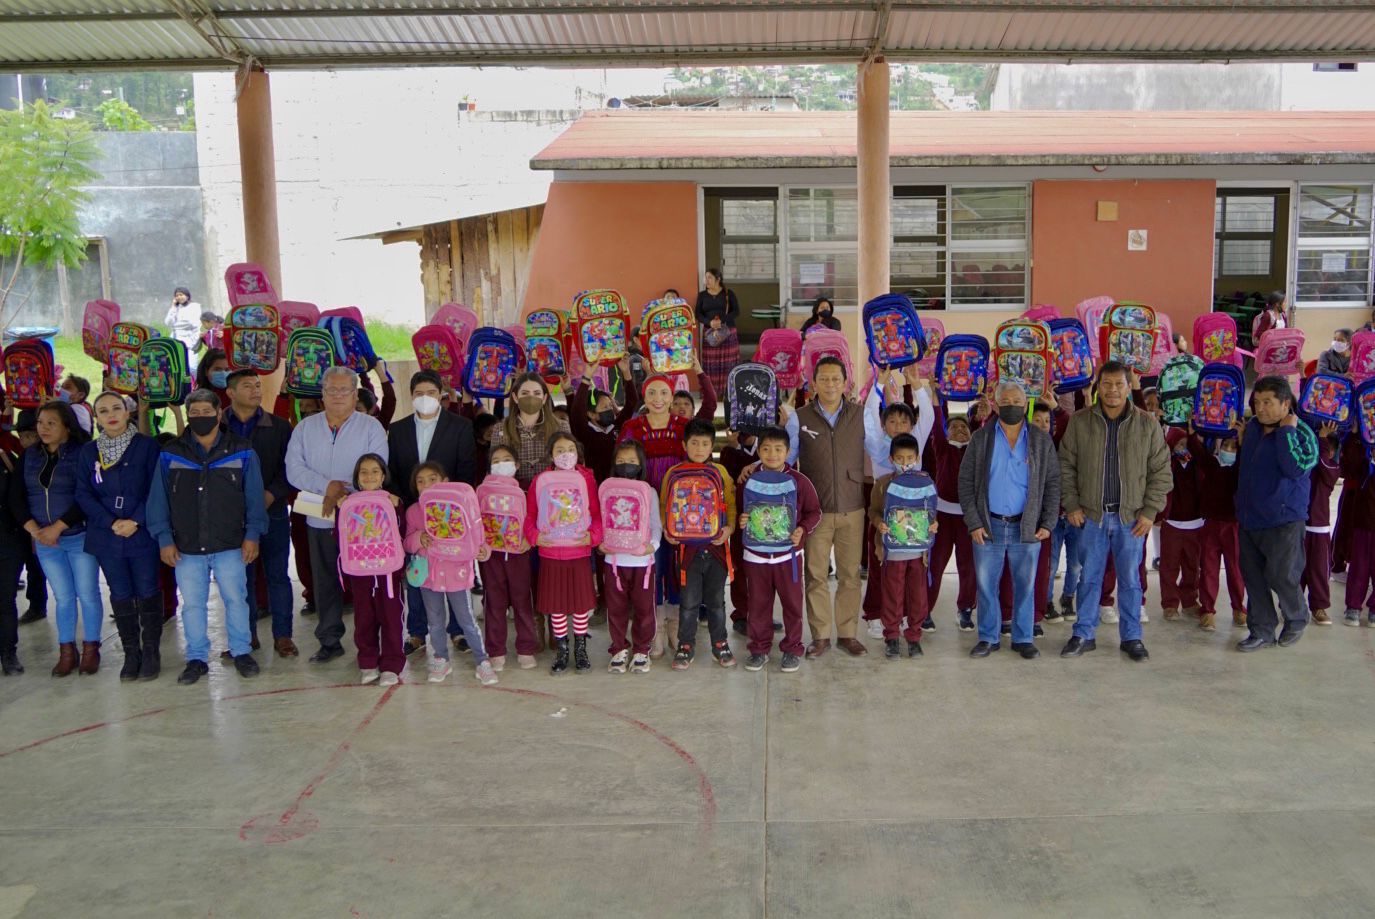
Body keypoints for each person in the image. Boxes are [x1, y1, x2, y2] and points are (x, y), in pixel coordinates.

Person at [146, 389, 268, 685]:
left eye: (206, 411)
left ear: (218, 413)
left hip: (230, 544)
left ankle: (241, 651)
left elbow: (254, 497)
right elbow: (158, 500)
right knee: (192, 605)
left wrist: (252, 535)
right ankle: (197, 658)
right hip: (186, 546)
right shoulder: (171, 453)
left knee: (236, 600)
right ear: (188, 415)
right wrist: (164, 538)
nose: (201, 417)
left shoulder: (242, 450)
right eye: (195, 412)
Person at [1058, 361, 1171, 662]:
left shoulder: (1146, 424)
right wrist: (1071, 504)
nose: (1112, 390)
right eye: (1106, 384)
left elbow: (1161, 471)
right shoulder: (1080, 422)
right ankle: (1084, 633)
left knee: (1131, 580)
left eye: (1119, 384)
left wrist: (1149, 512)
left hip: (1131, 519)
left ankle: (1132, 637)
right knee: (1089, 578)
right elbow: (1065, 466)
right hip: (1091, 517)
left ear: (1128, 386)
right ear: (1098, 386)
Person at [286, 365, 389, 664]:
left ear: (355, 393)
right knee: (325, 580)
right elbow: (294, 469)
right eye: (332, 390)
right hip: (320, 517)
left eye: (344, 390)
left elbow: (378, 466)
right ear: (322, 394)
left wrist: (347, 496)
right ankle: (329, 640)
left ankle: (370, 641)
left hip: (362, 521)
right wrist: (326, 487)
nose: (338, 395)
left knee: (365, 582)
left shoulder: (370, 427)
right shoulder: (305, 428)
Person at [957, 381, 1060, 660]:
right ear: (997, 404)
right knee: (986, 586)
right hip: (988, 526)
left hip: (1025, 526)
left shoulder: (1040, 440)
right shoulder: (981, 439)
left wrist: (1048, 522)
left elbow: (1052, 483)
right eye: (1007, 401)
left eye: (1018, 401)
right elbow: (965, 482)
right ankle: (988, 638)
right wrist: (974, 522)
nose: (1013, 405)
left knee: (1025, 585)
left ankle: (1023, 637)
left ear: (1025, 404)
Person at [619, 363, 717, 655]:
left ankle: (675, 622)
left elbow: (710, 406)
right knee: (651, 566)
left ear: (673, 394)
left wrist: (699, 370)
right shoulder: (633, 427)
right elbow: (624, 466)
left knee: (677, 567)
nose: (658, 397)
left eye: (664, 392)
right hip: (645, 508)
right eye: (652, 392)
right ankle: (653, 625)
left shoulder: (683, 425)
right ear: (644, 396)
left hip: (682, 510)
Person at [388, 369, 478, 655]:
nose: (424, 398)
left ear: (441, 393)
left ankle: (458, 631)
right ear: (411, 396)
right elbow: (395, 472)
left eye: (429, 392)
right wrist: (408, 506)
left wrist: (455, 505)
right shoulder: (398, 429)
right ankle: (416, 631)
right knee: (418, 570)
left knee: (455, 570)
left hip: (451, 514)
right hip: (414, 513)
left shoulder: (460, 426)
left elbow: (466, 469)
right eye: (418, 393)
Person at [75, 391, 163, 681]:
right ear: (97, 418)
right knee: (120, 593)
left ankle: (150, 652)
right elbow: (83, 494)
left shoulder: (147, 446)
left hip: (141, 532)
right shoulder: (89, 452)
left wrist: (135, 520)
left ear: (128, 412)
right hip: (107, 535)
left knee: (147, 589)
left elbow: (156, 487)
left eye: (117, 408)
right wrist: (111, 521)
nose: (111, 414)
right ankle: (131, 654)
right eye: (103, 411)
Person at [783, 356, 867, 658]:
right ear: (813, 383)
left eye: (836, 379)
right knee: (816, 575)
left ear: (845, 382)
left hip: (852, 506)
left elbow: (880, 452)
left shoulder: (861, 414)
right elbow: (786, 457)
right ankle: (820, 636)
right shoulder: (799, 417)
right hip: (815, 511)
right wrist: (757, 466)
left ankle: (847, 634)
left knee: (849, 574)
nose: (830, 384)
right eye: (824, 379)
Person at [1234, 376, 1317, 651]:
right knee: (1254, 578)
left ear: (1285, 403)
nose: (1261, 408)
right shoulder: (1254, 427)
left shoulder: (1302, 433)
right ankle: (1262, 631)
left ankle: (1296, 617)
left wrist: (1287, 433)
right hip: (1249, 518)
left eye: (1268, 402)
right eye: (1257, 402)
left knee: (1282, 575)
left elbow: (1296, 468)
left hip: (1284, 520)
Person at [20, 401, 101, 677]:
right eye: (40, 423)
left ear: (67, 426)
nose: (43, 428)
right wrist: (36, 530)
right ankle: (67, 651)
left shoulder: (82, 454)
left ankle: (91, 649)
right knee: (63, 598)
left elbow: (86, 496)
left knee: (88, 594)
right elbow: (16, 497)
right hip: (45, 542)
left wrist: (58, 527)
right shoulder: (30, 456)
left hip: (78, 536)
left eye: (50, 423)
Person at [224, 370, 297, 657]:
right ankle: (247, 635)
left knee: (277, 575)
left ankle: (283, 636)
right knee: (242, 578)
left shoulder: (278, 427)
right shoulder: (218, 427)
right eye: (247, 386)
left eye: (257, 385)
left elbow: (289, 469)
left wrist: (271, 494)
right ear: (230, 393)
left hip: (273, 512)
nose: (256, 390)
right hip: (232, 517)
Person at [403, 461, 496, 685]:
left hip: (457, 575)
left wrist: (484, 550)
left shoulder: (460, 506)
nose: (426, 485)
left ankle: (482, 661)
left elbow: (477, 535)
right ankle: (441, 659)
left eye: (432, 479)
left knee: (467, 620)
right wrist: (418, 539)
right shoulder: (414, 512)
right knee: (434, 621)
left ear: (445, 482)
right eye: (420, 481)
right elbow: (406, 542)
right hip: (429, 577)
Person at [737, 425, 820, 673]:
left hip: (789, 556)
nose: (772, 454)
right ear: (758, 450)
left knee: (793, 605)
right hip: (756, 556)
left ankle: (792, 648)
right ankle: (759, 649)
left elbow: (815, 512)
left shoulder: (799, 481)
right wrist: (743, 520)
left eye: (778, 449)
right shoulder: (748, 478)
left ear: (787, 451)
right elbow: (741, 511)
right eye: (766, 449)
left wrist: (802, 530)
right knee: (759, 605)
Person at [525, 432, 602, 675]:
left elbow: (597, 514)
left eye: (571, 449)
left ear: (578, 453)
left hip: (578, 551)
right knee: (557, 606)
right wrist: (535, 537)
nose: (566, 454)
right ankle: (562, 649)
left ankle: (580, 648)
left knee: (580, 605)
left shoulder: (586, 479)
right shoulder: (540, 481)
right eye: (559, 450)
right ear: (550, 455)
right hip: (551, 553)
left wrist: (594, 536)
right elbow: (529, 515)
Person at [665, 419, 736, 670]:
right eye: (694, 443)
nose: (699, 448)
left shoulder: (721, 472)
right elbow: (666, 505)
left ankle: (720, 644)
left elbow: (731, 504)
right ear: (685, 445)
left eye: (705, 443)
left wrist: (729, 529)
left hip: (716, 547)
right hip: (687, 551)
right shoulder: (673, 473)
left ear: (712, 446)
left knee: (717, 601)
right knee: (689, 602)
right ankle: (686, 645)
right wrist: (668, 530)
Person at [337, 454, 407, 686]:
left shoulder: (394, 501)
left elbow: (403, 534)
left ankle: (391, 664)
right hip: (360, 572)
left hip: (388, 573)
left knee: (391, 617)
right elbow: (340, 537)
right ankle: (367, 662)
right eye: (363, 472)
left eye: (375, 471)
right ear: (357, 477)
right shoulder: (348, 503)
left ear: (384, 475)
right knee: (364, 618)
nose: (369, 476)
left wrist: (397, 507)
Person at [869, 433, 936, 659]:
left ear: (917, 457)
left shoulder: (926, 483)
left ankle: (914, 637)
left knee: (918, 596)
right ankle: (891, 637)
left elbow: (931, 514)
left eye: (909, 458)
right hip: (892, 553)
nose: (905, 463)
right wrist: (880, 524)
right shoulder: (883, 484)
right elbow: (874, 511)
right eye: (900, 458)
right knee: (892, 596)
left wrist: (933, 525)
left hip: (918, 554)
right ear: (891, 459)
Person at [601, 441, 660, 674]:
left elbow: (656, 524)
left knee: (644, 608)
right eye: (622, 461)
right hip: (614, 561)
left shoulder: (649, 490)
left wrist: (652, 546)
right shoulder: (606, 489)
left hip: (642, 562)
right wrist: (601, 544)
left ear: (641, 465)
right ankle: (618, 648)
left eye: (632, 462)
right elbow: (600, 520)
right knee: (615, 609)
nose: (627, 466)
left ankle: (642, 650)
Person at [478, 444, 539, 670]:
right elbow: (476, 521)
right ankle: (495, 651)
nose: (501, 464)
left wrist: (530, 539)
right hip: (492, 556)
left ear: (517, 464)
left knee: (523, 601)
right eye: (495, 461)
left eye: (506, 459)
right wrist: (479, 545)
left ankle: (526, 648)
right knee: (494, 603)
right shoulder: (481, 490)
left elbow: (534, 517)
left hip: (519, 555)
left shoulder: (526, 489)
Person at [926, 409, 978, 632]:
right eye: (954, 427)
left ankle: (965, 610)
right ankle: (924, 610)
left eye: (964, 427)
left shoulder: (976, 451)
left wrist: (983, 417)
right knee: (934, 565)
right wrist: (937, 400)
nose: (959, 430)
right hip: (942, 517)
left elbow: (983, 431)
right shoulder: (942, 448)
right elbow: (936, 427)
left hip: (969, 518)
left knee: (969, 567)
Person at [1195, 433, 1247, 631]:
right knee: (1208, 569)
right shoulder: (1212, 465)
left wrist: (1242, 444)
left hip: (1234, 525)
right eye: (1226, 445)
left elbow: (1244, 460)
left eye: (1234, 447)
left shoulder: (1240, 469)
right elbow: (1198, 452)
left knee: (1235, 570)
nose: (1229, 450)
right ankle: (1207, 611)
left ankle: (1238, 609)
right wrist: (1193, 433)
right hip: (1211, 525)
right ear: (1218, 446)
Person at [489, 373, 568, 489]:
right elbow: (495, 468)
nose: (531, 398)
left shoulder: (561, 427)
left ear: (544, 398)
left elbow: (568, 465)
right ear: (516, 398)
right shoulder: (500, 428)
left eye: (537, 393)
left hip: (551, 494)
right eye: (525, 393)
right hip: (514, 495)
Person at [1157, 428, 1204, 622]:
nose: (1184, 449)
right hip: (1172, 524)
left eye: (1187, 445)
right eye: (1180, 445)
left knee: (1192, 566)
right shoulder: (1167, 466)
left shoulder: (1198, 465)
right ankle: (1169, 604)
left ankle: (1190, 601)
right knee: (1169, 566)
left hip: (1196, 524)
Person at [569, 358, 638, 482]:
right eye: (605, 407)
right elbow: (577, 411)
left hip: (617, 484)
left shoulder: (617, 427)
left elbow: (632, 403)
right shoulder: (585, 433)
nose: (610, 410)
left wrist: (626, 372)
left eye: (610, 406)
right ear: (591, 414)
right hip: (594, 486)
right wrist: (587, 378)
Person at [1303, 423, 1340, 626]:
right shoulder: (1307, 464)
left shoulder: (1332, 468)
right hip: (1299, 524)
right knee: (1296, 568)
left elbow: (1325, 467)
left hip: (1319, 528)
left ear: (1331, 451)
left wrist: (1323, 440)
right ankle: (1291, 606)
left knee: (1318, 570)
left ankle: (1319, 607)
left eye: (1325, 447)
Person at [1, 440, 27, 674]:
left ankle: (8, 653)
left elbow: (19, 500)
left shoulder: (7, 459)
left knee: (5, 601)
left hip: (7, 542)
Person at [695, 267, 741, 396]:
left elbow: (736, 311)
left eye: (709, 277)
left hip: (728, 332)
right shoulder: (702, 295)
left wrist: (721, 321)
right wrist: (709, 323)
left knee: (728, 362)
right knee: (711, 363)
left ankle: (728, 392)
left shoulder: (728, 293)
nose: (706, 280)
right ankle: (711, 392)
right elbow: (698, 314)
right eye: (706, 277)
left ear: (718, 279)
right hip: (710, 334)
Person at [165, 286, 202, 365]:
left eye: (181, 295)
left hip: (190, 340)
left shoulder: (195, 306)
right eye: (177, 295)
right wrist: (173, 307)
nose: (179, 297)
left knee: (191, 366)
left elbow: (193, 323)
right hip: (176, 339)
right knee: (177, 365)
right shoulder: (176, 308)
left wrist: (176, 325)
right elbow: (167, 322)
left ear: (187, 296)